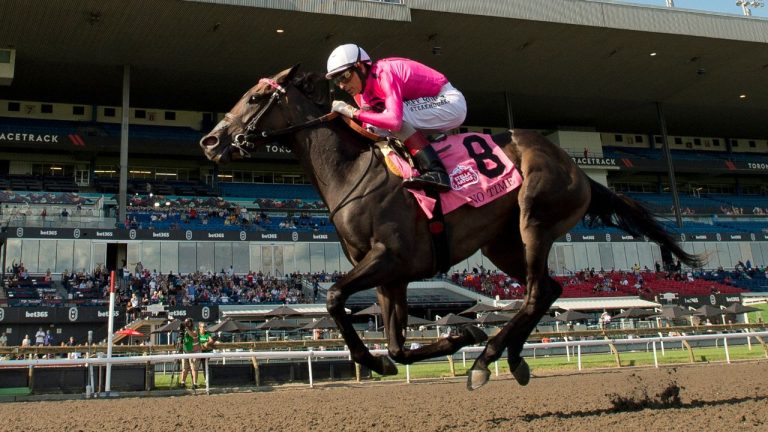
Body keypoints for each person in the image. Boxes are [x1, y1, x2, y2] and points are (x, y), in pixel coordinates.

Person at [326, 43, 467, 191]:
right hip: (427, 108)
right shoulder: (360, 94)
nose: (342, 85)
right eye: (337, 81)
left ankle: (437, 172)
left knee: (391, 119)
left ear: (360, 67)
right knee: (373, 126)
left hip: (449, 101)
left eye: (345, 77)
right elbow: (369, 129)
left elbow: (394, 121)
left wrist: (353, 112)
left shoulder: (384, 72)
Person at [178, 318, 199, 389]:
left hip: (193, 351)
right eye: (186, 322)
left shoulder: (194, 328)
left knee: (194, 368)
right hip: (185, 351)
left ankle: (195, 383)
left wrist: (187, 329)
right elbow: (181, 337)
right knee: (184, 368)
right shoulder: (183, 329)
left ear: (191, 322)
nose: (187, 323)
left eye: (188, 322)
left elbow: (193, 335)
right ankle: (182, 383)